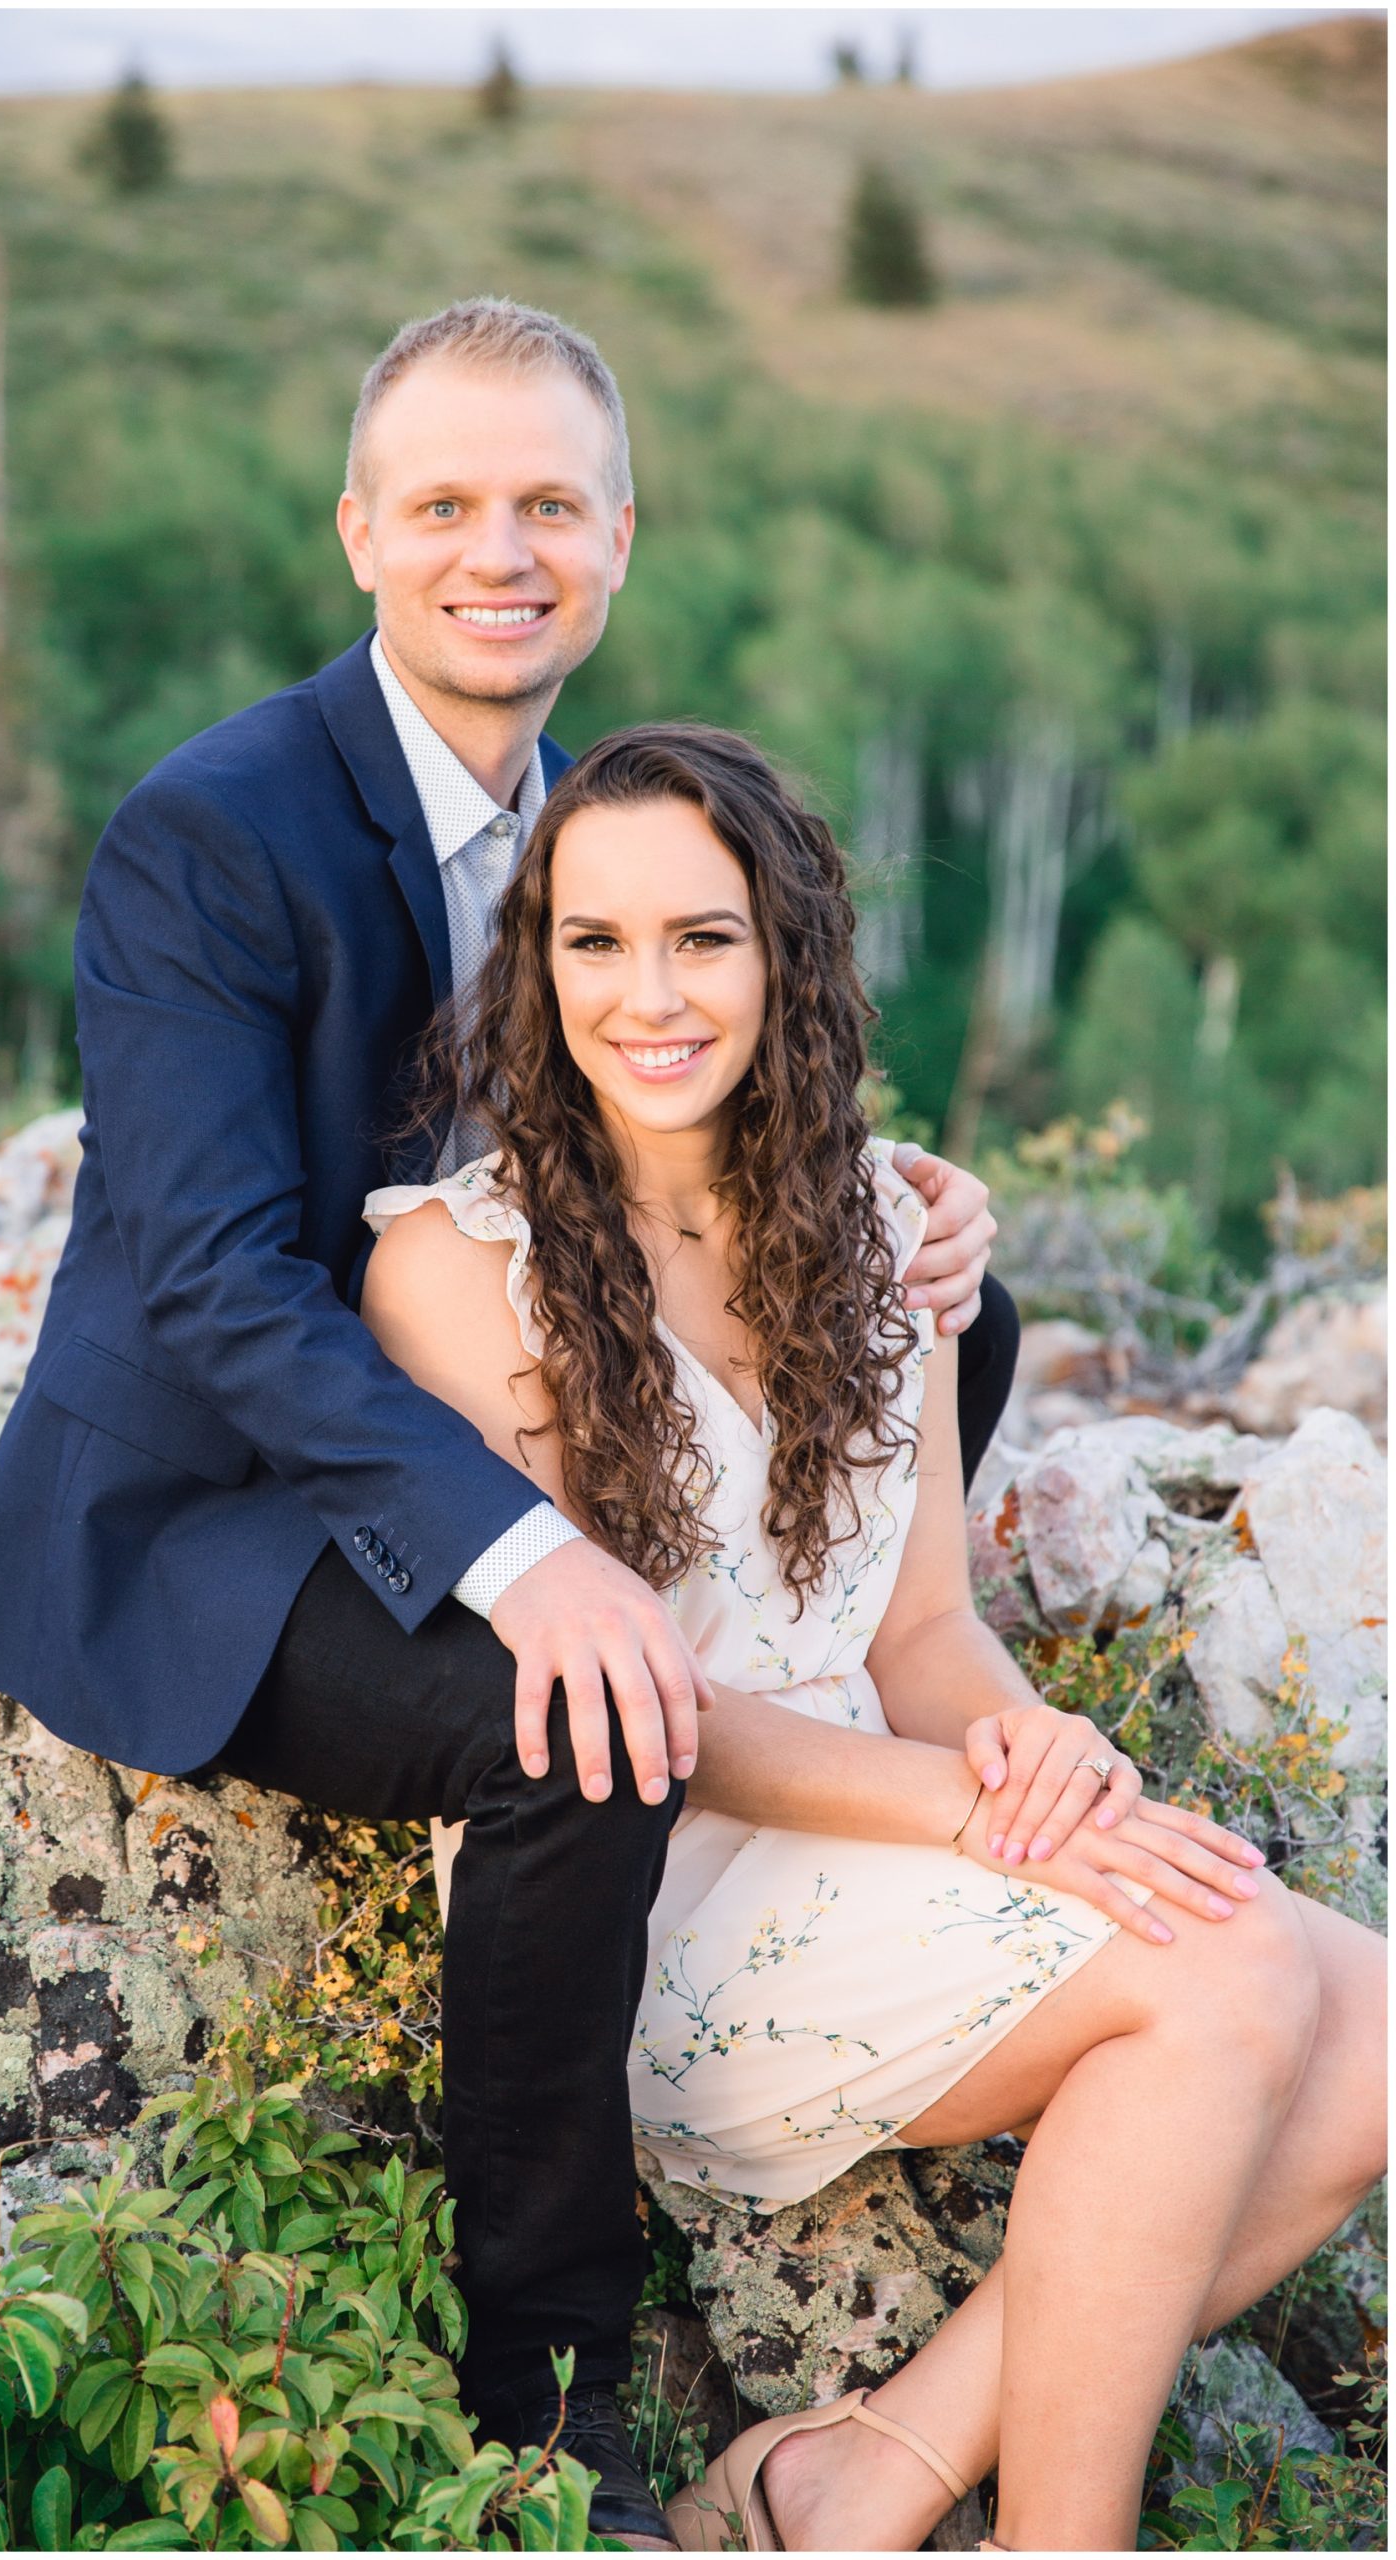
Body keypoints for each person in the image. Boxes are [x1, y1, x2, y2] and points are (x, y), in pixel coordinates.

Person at [0, 298, 1006, 2549]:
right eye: (442, 503)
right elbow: (222, 1280)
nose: (492, 549)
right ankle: (545, 2399)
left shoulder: (592, 817)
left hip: (498, 1395)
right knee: (575, 1714)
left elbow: (689, 1087)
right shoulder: (209, 832)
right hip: (222, 1516)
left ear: (615, 539)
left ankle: (834, 1662)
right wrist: (533, 1555)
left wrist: (903, 1210)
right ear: (358, 534)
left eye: (544, 504)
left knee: (941, 1345)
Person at [356, 720, 1388, 2553]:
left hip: (894, 1820)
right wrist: (977, 1815)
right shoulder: (458, 1269)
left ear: (786, 955)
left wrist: (1016, 1741)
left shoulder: (880, 1221)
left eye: (704, 938)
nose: (647, 995)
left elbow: (919, 1625)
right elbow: (631, 1713)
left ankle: (872, 2471)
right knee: (1227, 1977)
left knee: (1374, 2022)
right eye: (592, 943)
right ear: (535, 968)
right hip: (650, 1892)